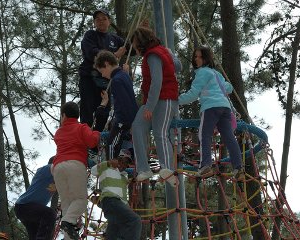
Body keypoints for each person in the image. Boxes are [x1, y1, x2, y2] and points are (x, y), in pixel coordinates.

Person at [178, 46, 244, 179]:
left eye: (200, 57)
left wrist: (176, 100)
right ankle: (239, 168)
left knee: (204, 134)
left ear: (206, 58)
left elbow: (193, 94)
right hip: (225, 108)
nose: (196, 59)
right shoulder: (216, 74)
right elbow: (228, 88)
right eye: (195, 57)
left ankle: (205, 165)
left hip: (211, 108)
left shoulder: (202, 73)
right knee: (229, 137)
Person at [130, 27, 180, 187]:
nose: (135, 49)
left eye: (135, 45)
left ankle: (167, 168)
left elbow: (157, 82)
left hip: (165, 99)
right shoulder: (159, 52)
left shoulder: (153, 55)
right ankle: (144, 168)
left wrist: (149, 107)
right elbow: (178, 66)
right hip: (153, 100)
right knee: (137, 127)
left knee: (160, 132)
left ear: (140, 43)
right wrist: (171, 55)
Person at [52, 101, 100, 239]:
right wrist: (96, 133)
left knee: (67, 203)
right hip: (75, 164)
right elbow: (91, 141)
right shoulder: (81, 127)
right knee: (80, 200)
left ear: (64, 116)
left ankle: (68, 236)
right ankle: (67, 222)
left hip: (58, 167)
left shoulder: (59, 132)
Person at [79, 9, 127, 128]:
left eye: (104, 19)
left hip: (105, 81)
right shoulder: (90, 35)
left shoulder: (115, 39)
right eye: (97, 19)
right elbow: (92, 53)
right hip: (89, 78)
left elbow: (131, 47)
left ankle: (98, 139)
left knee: (104, 111)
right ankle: (86, 139)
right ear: (94, 22)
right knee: (87, 111)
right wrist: (115, 55)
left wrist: (140, 32)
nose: (101, 22)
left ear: (109, 22)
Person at [93, 50, 138, 160]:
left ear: (107, 64)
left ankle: (112, 172)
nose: (103, 75)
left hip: (123, 121)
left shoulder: (116, 80)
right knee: (113, 146)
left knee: (111, 146)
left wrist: (120, 123)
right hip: (129, 119)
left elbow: (124, 104)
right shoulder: (124, 75)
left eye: (102, 71)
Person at [90, 149, 141, 240]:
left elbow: (129, 180)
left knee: (113, 235)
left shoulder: (123, 176)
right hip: (111, 201)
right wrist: (108, 163)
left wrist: (132, 181)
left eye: (126, 163)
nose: (123, 165)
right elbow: (93, 171)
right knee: (134, 220)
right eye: (122, 161)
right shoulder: (106, 168)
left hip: (119, 205)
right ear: (117, 159)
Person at [14, 156, 57, 240]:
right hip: (24, 206)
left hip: (25, 209)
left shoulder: (55, 179)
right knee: (50, 214)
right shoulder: (45, 169)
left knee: (35, 235)